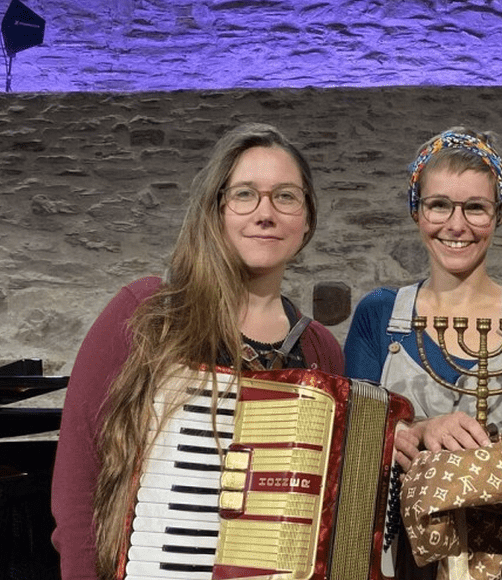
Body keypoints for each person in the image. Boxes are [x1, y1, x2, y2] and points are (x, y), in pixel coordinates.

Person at [50, 124, 344, 580]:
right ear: (216, 209)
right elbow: (77, 485)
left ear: (307, 220)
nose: (265, 214)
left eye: (286, 197)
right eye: (245, 195)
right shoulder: (146, 313)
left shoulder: (320, 350)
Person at [344, 128, 502, 580]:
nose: (456, 225)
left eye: (475, 207)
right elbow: (351, 447)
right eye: (439, 205)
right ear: (417, 211)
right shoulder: (379, 315)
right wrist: (414, 431)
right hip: (404, 556)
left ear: (498, 214)